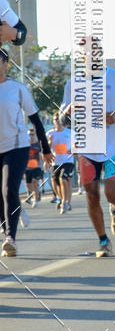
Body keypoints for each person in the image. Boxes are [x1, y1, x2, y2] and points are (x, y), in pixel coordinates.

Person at [60, 42, 115, 257]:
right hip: (87, 148)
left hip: (113, 148)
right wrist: (68, 113)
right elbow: (63, 119)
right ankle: (104, 241)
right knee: (92, 195)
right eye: (86, 54)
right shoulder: (73, 83)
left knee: (112, 192)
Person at [0, 48, 52, 256]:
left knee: (8, 189)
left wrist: (45, 149)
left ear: (5, 64)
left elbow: (36, 120)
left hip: (17, 146)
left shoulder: (17, 89)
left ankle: (10, 238)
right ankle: (8, 227)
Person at [47, 112, 74, 213]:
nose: (57, 121)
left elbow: (77, 144)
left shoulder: (70, 132)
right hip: (55, 162)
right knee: (55, 182)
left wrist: (73, 149)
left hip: (68, 161)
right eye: (55, 119)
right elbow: (46, 150)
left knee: (63, 178)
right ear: (53, 121)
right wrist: (50, 142)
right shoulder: (50, 133)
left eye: (59, 119)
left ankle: (65, 202)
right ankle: (62, 198)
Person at [24, 129, 43, 206]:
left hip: (37, 167)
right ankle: (37, 191)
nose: (31, 136)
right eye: (29, 134)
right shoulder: (25, 145)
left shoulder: (38, 145)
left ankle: (36, 200)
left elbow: (42, 155)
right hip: (27, 167)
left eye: (32, 134)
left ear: (35, 135)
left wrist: (42, 157)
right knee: (28, 185)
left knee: (34, 181)